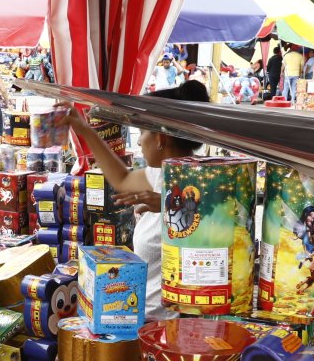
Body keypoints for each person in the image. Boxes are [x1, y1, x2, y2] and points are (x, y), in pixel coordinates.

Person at [57, 80, 210, 320]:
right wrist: (84, 129)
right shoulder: (160, 174)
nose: (138, 142)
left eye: (141, 133)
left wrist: (165, 205)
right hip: (141, 315)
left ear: (160, 138)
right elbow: (121, 179)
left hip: (170, 324)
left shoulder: (204, 184)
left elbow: (208, 228)